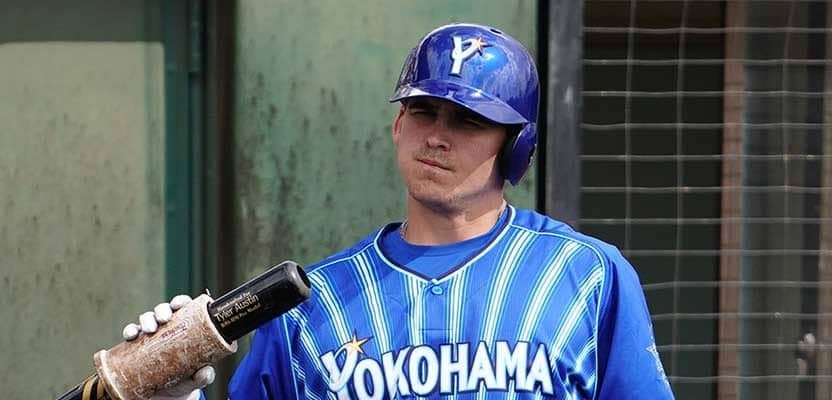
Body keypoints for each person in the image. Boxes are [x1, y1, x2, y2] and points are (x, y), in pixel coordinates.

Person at [127, 23, 675, 399]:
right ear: (397, 126)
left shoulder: (587, 276)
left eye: (468, 120)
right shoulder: (309, 306)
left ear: (517, 146)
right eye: (423, 112)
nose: (437, 135)